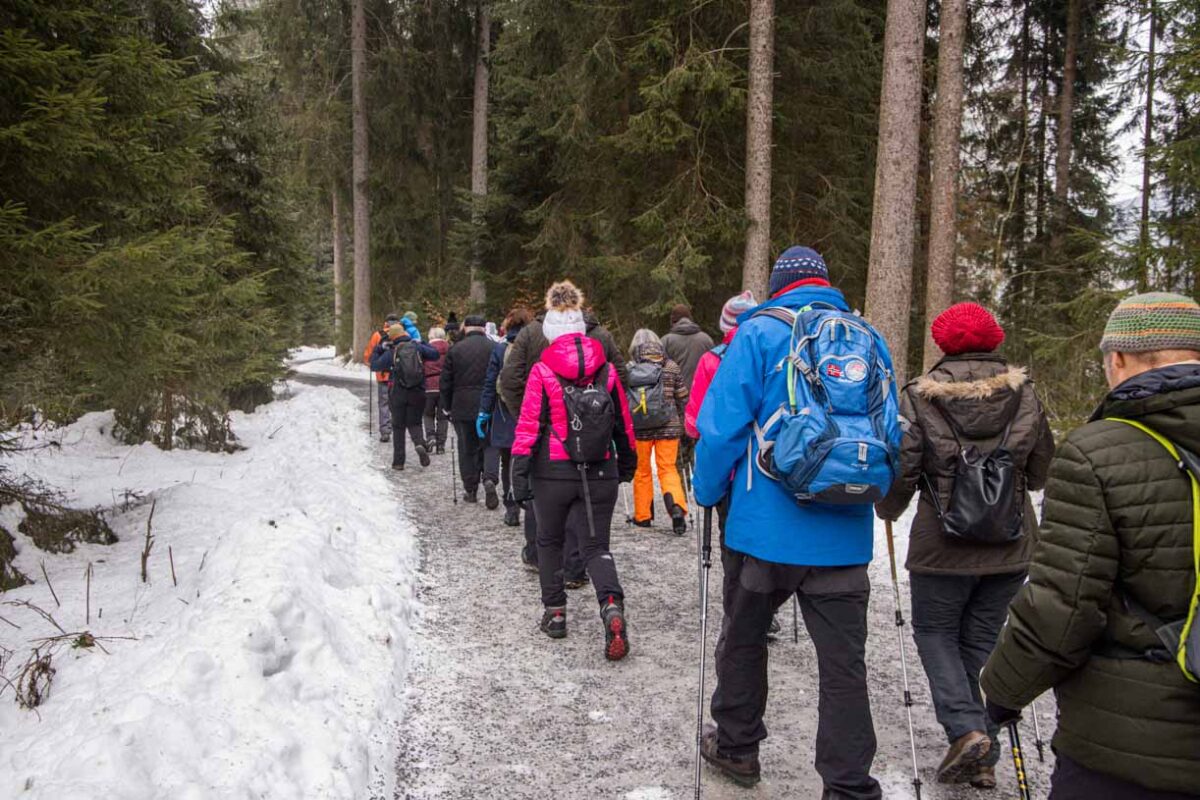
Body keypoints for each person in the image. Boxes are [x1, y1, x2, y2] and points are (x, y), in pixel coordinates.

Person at [981, 292, 1200, 800]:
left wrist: (1005, 690)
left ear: (1118, 359)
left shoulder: (1097, 454)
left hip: (1127, 747)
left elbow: (1064, 607)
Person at [693, 246, 894, 796]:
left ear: (777, 286)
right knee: (844, 666)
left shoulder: (757, 334)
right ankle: (849, 783)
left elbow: (721, 428)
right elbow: (890, 430)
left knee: (744, 639)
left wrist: (706, 491)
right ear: (827, 285)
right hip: (844, 530)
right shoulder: (866, 337)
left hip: (765, 531)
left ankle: (737, 746)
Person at [875, 302, 1055, 789]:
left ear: (943, 344)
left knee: (935, 634)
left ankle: (968, 732)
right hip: (1009, 543)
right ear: (995, 340)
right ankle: (980, 750)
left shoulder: (919, 395)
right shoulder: (1025, 393)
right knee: (978, 641)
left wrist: (887, 508)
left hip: (942, 544)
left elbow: (905, 467)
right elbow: (1042, 471)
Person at [511, 280, 637, 661]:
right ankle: (611, 606)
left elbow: (528, 426)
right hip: (600, 470)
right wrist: (627, 463)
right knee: (596, 547)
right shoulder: (606, 372)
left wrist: (519, 474)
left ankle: (555, 613)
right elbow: (623, 423)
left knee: (549, 541)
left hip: (551, 472)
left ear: (549, 333)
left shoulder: (542, 371)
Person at [627, 329, 690, 534]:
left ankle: (643, 515)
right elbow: (683, 397)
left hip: (640, 429)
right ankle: (676, 508)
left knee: (642, 471)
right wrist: (684, 421)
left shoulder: (630, 368)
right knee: (668, 468)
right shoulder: (670, 367)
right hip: (668, 427)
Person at [478, 307, 532, 519]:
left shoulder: (500, 349)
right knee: (529, 458)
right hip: (530, 408)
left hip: (504, 409)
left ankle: (511, 508)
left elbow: (490, 382)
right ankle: (530, 503)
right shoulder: (534, 346)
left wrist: (484, 411)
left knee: (508, 460)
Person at [684, 291, 756, 440]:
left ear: (724, 326)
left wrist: (693, 431)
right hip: (762, 443)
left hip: (720, 440)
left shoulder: (710, 360)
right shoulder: (767, 353)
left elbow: (696, 412)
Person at [369, 320, 439, 470]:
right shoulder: (416, 347)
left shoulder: (392, 351)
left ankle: (398, 462)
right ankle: (419, 444)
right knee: (415, 423)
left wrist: (379, 349)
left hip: (398, 393)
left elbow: (374, 365)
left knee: (398, 426)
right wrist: (422, 342)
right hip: (418, 392)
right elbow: (435, 354)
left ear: (392, 337)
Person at [441, 314, 495, 503]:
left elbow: (446, 381)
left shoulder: (456, 349)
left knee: (466, 448)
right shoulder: (494, 347)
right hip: (488, 404)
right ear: (484, 328)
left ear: (466, 328)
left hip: (461, 405)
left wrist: (446, 406)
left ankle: (470, 489)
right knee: (487, 444)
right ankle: (488, 478)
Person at [363, 313, 401, 441]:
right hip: (399, 376)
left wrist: (373, 364)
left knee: (384, 403)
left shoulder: (377, 335)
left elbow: (368, 356)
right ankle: (398, 428)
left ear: (386, 323)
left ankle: (385, 431)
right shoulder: (403, 334)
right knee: (398, 403)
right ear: (398, 322)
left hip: (383, 376)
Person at [423, 327, 451, 453]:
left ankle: (430, 437)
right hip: (444, 387)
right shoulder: (449, 348)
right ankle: (441, 446)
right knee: (443, 417)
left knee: (428, 414)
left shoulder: (425, 349)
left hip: (428, 385)